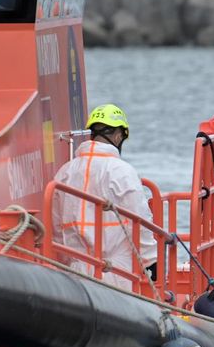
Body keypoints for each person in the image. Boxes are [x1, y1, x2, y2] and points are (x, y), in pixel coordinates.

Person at [53, 103, 157, 289]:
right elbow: (140, 221)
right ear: (119, 135)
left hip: (74, 273)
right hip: (115, 273)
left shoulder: (65, 172)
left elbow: (56, 228)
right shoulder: (122, 171)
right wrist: (150, 261)